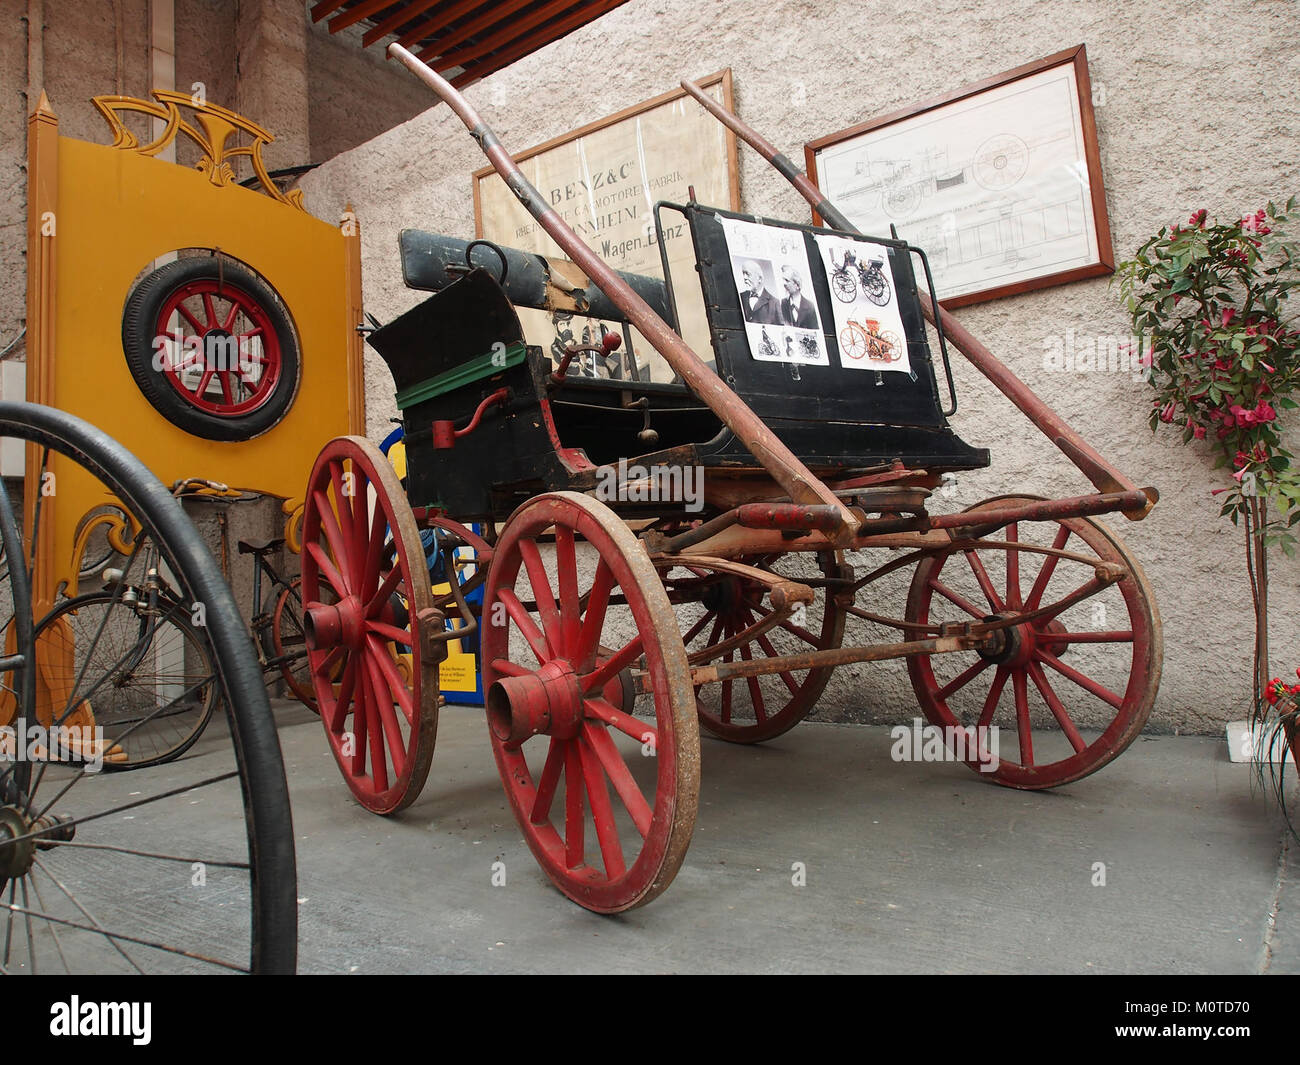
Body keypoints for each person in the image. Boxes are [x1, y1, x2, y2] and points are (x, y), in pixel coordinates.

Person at [738, 260, 780, 325]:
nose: (744, 277)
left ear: (759, 279)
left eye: (748, 274)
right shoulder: (740, 297)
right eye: (743, 274)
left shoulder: (775, 303)